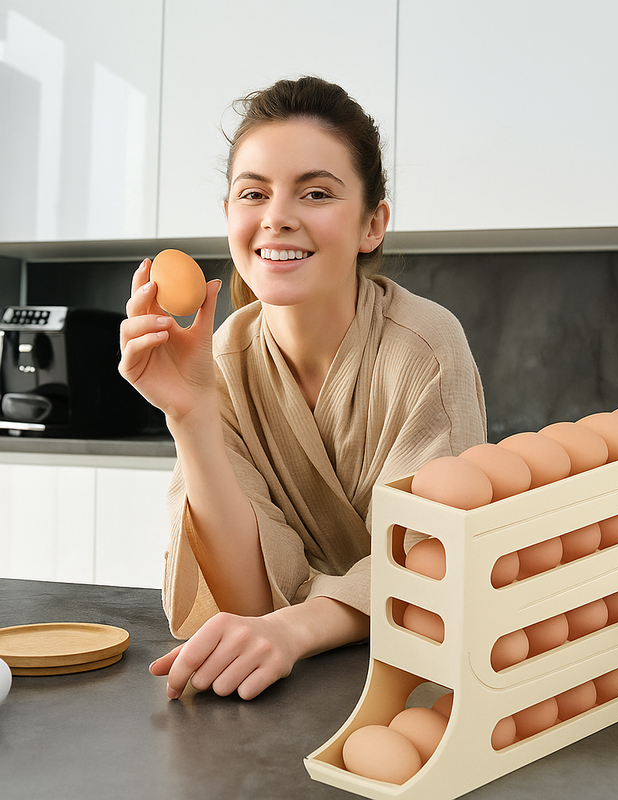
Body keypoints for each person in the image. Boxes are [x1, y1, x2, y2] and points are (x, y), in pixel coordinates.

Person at [119, 76, 486, 701]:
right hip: (270, 681)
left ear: (373, 224)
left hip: (414, 677)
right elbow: (246, 599)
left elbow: (432, 562)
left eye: (315, 193)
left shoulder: (424, 347)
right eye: (252, 194)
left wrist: (297, 626)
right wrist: (191, 415)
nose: (278, 218)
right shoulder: (221, 361)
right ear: (231, 217)